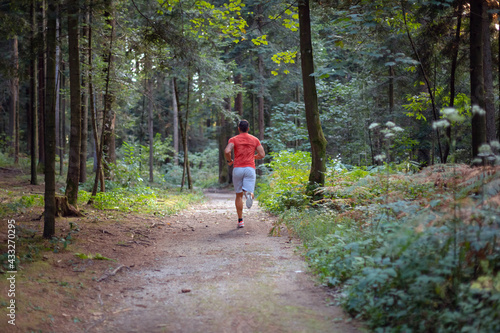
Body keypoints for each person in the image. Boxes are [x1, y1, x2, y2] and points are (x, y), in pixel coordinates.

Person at [224, 120, 265, 228]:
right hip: (250, 168)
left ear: (239, 128)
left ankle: (240, 221)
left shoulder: (234, 139)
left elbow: (227, 151)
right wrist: (254, 156)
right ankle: (249, 195)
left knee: (238, 195)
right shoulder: (255, 139)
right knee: (249, 191)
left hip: (238, 168)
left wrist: (229, 161)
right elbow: (262, 154)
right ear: (248, 128)